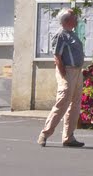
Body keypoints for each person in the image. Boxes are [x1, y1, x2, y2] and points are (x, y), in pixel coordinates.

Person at [37, 8, 86, 148]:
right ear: (66, 20)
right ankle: (45, 133)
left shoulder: (73, 34)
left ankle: (69, 137)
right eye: (74, 17)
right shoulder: (61, 35)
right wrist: (63, 73)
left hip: (77, 71)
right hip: (68, 71)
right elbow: (57, 55)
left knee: (75, 104)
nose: (76, 20)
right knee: (63, 101)